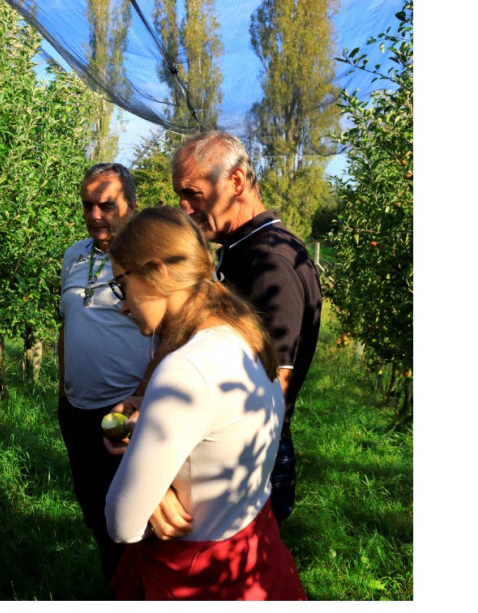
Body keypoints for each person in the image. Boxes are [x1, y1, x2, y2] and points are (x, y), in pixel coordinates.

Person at [103, 207, 306, 600]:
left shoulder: (185, 369)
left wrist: (148, 486)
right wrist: (150, 466)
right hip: (252, 553)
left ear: (159, 271)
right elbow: (216, 436)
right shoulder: (246, 334)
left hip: (200, 578)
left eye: (121, 285)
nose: (123, 305)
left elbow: (123, 522)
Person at [170, 130, 322, 522]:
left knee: (239, 569)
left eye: (193, 194)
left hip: (248, 451)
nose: (185, 208)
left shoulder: (270, 260)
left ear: (235, 182)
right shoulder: (240, 248)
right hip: (235, 442)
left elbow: (276, 379)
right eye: (179, 197)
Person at [56, 163, 154, 584]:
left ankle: (143, 591)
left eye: (107, 205)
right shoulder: (73, 255)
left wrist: (144, 396)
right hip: (78, 411)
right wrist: (63, 391)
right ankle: (117, 588)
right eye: (88, 205)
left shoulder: (150, 259)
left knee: (135, 519)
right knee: (96, 512)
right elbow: (68, 324)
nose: (95, 214)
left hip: (126, 415)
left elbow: (173, 335)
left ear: (131, 206)